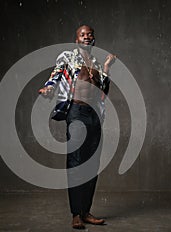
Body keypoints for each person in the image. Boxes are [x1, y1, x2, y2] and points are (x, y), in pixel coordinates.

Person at [39, 25, 116, 229]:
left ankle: (86, 211)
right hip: (77, 112)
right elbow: (57, 73)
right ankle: (75, 214)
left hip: (94, 115)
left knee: (92, 163)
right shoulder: (68, 56)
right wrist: (48, 87)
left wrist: (107, 67)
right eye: (83, 34)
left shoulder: (97, 63)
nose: (87, 36)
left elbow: (103, 91)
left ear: (93, 38)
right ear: (76, 40)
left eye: (89, 34)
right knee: (76, 163)